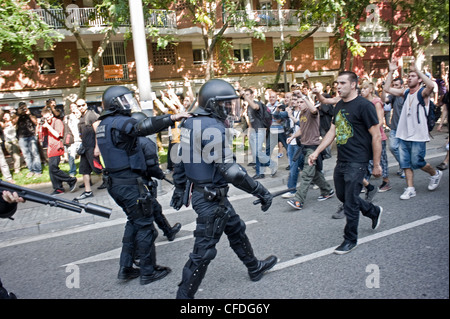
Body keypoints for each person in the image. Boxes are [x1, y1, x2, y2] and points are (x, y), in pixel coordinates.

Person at [171, 79, 277, 299]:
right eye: (225, 104)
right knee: (203, 253)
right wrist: (261, 191)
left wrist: (180, 187)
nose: (230, 108)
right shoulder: (210, 126)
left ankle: (254, 267)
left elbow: (181, 158)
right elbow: (233, 172)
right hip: (210, 199)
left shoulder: (193, 121)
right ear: (211, 104)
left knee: (236, 229)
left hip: (210, 195)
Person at [96, 85, 189, 285]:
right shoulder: (120, 122)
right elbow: (143, 126)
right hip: (129, 185)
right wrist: (172, 117)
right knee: (146, 227)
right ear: (115, 104)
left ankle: (126, 267)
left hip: (116, 183)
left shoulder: (105, 124)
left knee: (133, 222)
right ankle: (148, 271)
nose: (128, 103)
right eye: (124, 100)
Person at [308, 71, 384, 254]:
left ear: (353, 85)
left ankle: (350, 239)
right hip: (342, 159)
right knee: (343, 196)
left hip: (357, 160)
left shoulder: (364, 106)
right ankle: (373, 211)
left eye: (342, 83)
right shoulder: (339, 105)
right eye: (337, 83)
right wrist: (317, 151)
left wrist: (376, 164)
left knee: (350, 203)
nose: (338, 86)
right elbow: (332, 132)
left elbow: (376, 136)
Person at [383, 57, 443, 200]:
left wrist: (418, 70)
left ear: (420, 79)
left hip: (418, 135)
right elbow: (386, 89)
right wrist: (391, 72)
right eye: (408, 76)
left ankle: (435, 174)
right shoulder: (404, 92)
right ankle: (410, 188)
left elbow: (432, 86)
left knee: (417, 162)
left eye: (412, 76)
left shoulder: (422, 93)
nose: (409, 78)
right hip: (403, 134)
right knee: (405, 163)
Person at [285, 92, 334, 210]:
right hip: (304, 147)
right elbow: (302, 129)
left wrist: (304, 97)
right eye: (298, 102)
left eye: (302, 102)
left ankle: (298, 200)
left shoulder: (313, 112)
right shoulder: (302, 113)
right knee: (315, 173)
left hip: (313, 148)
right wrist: (292, 137)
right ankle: (327, 190)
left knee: (306, 174)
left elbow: (313, 109)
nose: (299, 104)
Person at [361, 81, 392, 193]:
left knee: (381, 159)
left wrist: (370, 130)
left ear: (370, 90)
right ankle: (366, 183)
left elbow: (379, 121)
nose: (362, 91)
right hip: (367, 137)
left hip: (378, 136)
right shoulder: (363, 102)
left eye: (364, 88)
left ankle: (386, 181)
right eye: (361, 89)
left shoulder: (376, 102)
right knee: (367, 160)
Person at [38, 108, 77, 195]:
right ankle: (58, 188)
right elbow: (42, 136)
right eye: (45, 118)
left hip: (57, 147)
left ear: (51, 115)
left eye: (48, 118)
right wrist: (41, 125)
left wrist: (48, 126)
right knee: (51, 170)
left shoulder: (57, 121)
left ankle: (71, 180)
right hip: (50, 148)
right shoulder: (47, 123)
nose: (47, 120)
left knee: (53, 168)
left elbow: (58, 135)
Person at [244, 88, 278, 179]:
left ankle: (272, 164)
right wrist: (249, 132)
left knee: (259, 152)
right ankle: (260, 173)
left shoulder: (257, 104)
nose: (246, 96)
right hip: (253, 131)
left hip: (260, 130)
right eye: (245, 95)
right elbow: (251, 121)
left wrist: (246, 98)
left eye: (247, 94)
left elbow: (255, 107)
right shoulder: (248, 107)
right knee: (256, 154)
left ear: (252, 95)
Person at [75, 99, 104, 200]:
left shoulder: (91, 115)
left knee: (97, 168)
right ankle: (88, 191)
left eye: (82, 105)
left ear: (86, 104)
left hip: (92, 147)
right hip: (85, 147)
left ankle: (113, 181)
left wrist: (97, 147)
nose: (81, 107)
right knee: (84, 170)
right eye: (78, 106)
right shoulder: (82, 117)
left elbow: (97, 132)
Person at [382, 77, 405, 178]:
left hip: (405, 128)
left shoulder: (406, 95)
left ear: (402, 86)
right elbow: (383, 100)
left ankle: (404, 167)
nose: (395, 87)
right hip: (395, 127)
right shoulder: (393, 96)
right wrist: (383, 88)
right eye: (393, 85)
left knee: (403, 150)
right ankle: (404, 165)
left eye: (397, 85)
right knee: (392, 147)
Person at [12, 102, 42, 178]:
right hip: (22, 137)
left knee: (35, 153)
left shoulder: (30, 113)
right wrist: (19, 114)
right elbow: (13, 122)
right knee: (26, 155)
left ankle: (38, 171)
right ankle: (31, 170)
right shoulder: (16, 114)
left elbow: (35, 122)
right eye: (21, 107)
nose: (23, 109)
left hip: (31, 135)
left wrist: (28, 114)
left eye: (24, 107)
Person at [65, 102, 82, 177]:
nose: (74, 108)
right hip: (73, 140)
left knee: (84, 157)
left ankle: (85, 170)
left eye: (75, 106)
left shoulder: (81, 115)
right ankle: (72, 171)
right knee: (71, 157)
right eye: (72, 107)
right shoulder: (68, 117)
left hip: (81, 139)